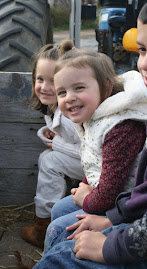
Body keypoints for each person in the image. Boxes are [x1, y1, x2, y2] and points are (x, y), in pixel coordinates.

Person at [32, 0, 147, 268]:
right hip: (140, 215)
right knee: (62, 217)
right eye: (143, 50)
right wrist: (114, 217)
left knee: (59, 257)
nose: (146, 63)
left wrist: (110, 242)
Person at [40, 39, 147, 254]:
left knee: (58, 228)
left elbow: (109, 192)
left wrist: (86, 199)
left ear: (105, 88)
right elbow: (95, 161)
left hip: (127, 204)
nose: (69, 98)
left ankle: (61, 257)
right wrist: (84, 186)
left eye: (79, 88)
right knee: (59, 208)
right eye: (62, 92)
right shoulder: (95, 118)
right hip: (109, 195)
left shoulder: (120, 129)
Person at [21, 42, 84, 249]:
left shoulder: (69, 114)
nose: (45, 87)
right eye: (40, 79)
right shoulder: (57, 107)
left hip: (104, 166)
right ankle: (47, 221)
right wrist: (52, 136)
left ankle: (43, 227)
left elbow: (90, 150)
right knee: (48, 159)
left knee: (48, 161)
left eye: (53, 80)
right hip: (92, 162)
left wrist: (57, 144)